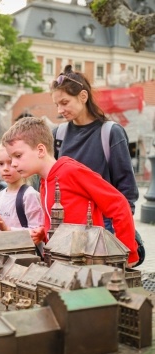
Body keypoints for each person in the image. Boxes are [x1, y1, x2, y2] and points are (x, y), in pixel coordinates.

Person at [1, 116, 138, 266]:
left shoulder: (71, 171)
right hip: (61, 262)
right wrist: (45, 231)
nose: (13, 164)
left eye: (18, 156)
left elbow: (119, 205)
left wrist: (128, 255)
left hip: (85, 263)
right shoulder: (43, 181)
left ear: (40, 150)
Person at [50, 64, 139, 232]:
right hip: (65, 224)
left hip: (102, 224)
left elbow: (127, 187)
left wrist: (119, 227)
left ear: (83, 96)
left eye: (65, 102)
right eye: (56, 105)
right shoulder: (58, 135)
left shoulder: (111, 132)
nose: (60, 110)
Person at [0, 144, 44, 232]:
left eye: (10, 163)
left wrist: (8, 229)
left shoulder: (29, 195)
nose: (5, 168)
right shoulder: (0, 194)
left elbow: (37, 232)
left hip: (23, 246)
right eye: (1, 163)